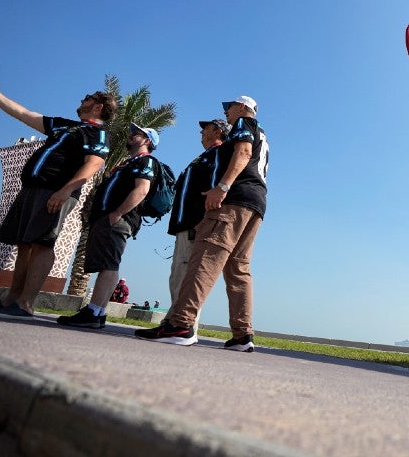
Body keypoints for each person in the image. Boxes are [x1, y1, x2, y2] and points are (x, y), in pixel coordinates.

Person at [0, 74, 114, 319]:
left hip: (55, 192)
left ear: (99, 106)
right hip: (32, 189)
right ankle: (11, 300)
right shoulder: (63, 125)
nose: (82, 99)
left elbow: (93, 163)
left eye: (88, 98)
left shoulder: (97, 133)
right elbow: (24, 114)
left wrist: (65, 190)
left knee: (41, 243)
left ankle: (26, 303)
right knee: (25, 244)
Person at [136, 95, 268, 351]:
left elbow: (243, 151)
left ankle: (181, 325)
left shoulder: (245, 123)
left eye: (228, 107)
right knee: (238, 270)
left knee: (205, 259)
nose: (226, 112)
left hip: (235, 199)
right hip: (256, 202)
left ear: (242, 108)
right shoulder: (263, 135)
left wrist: (223, 186)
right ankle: (242, 335)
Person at [57, 124, 158, 329]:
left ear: (147, 141)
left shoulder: (146, 161)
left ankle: (93, 312)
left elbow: (142, 190)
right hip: (108, 219)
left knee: (108, 265)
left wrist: (117, 213)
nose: (131, 135)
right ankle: (99, 312)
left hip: (118, 220)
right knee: (108, 264)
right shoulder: (129, 162)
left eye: (136, 134)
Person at [162, 118, 231, 340]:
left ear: (218, 131)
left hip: (195, 224)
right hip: (184, 224)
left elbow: (216, 191)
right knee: (177, 275)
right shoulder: (203, 157)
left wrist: (205, 219)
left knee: (186, 276)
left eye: (206, 128)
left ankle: (183, 326)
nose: (201, 132)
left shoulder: (219, 155)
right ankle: (173, 321)